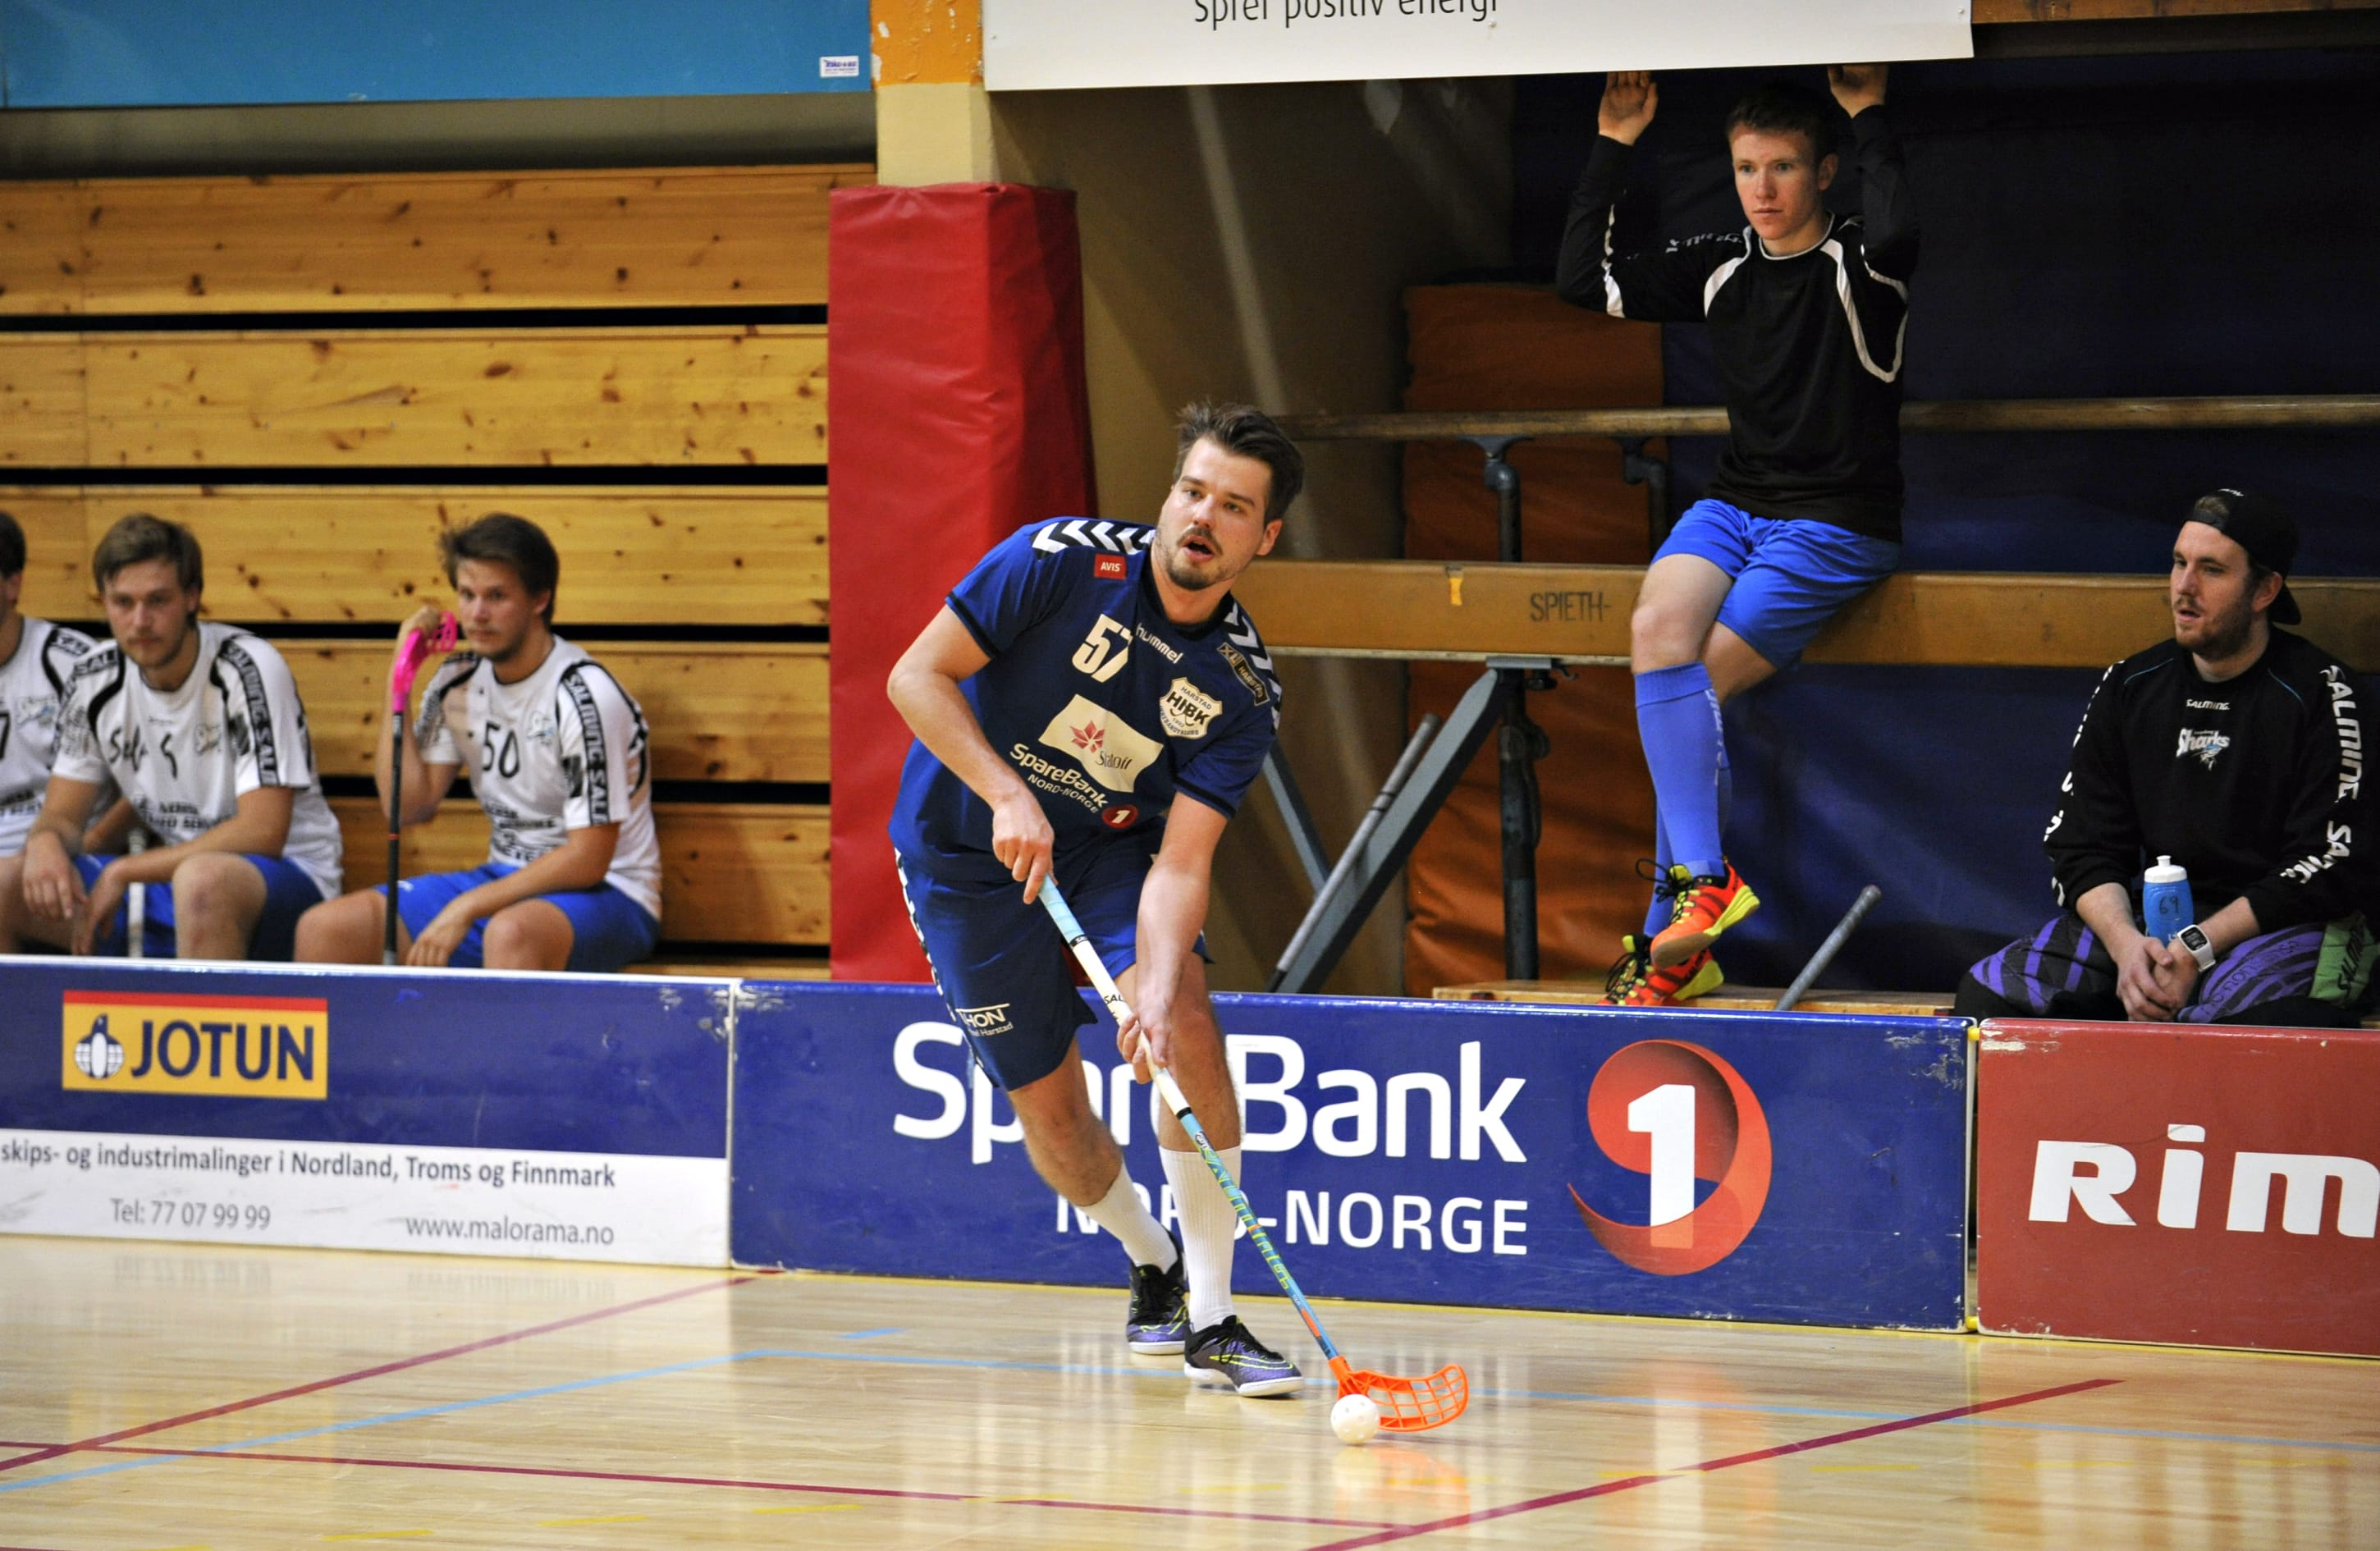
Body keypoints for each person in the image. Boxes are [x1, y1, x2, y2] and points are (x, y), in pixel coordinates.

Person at [886, 402, 1300, 1396]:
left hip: (1111, 854)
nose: (1202, 517)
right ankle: (1149, 1258)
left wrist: (1153, 985)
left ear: (1264, 537)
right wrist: (1005, 794)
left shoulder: (1241, 690)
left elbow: (1182, 864)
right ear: (1169, 494)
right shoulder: (1056, 562)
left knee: (1184, 1019)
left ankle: (1212, 1319)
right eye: (1192, 491)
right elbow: (915, 676)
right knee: (1055, 1117)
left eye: (1233, 507)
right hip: (963, 851)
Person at [1556, 66, 1915, 1005]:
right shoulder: (1723, 262)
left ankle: (1672, 940)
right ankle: (1700, 897)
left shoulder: (1861, 264)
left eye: (1783, 167)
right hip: (1735, 503)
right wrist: (1614, 142)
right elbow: (1581, 280)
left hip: (1835, 518)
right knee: (1654, 639)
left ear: (1823, 173)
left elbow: (1899, 230)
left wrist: (1867, 114)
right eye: (1746, 168)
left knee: (1692, 693)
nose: (1761, 189)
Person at [1957, 491, 2375, 1026]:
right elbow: (2083, 846)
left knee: (2230, 1026)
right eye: (2179, 563)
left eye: (2212, 570)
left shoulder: (2325, 693)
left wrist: (2196, 947)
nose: (2184, 586)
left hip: (2289, 924)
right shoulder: (2131, 684)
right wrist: (2128, 948)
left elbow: (2330, 864)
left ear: (2265, 590)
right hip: (2155, 927)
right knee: (1991, 998)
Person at [294, 513, 661, 972]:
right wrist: (399, 677)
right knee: (326, 929)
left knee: (509, 934)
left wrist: (467, 907)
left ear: (540, 600)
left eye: (496, 597)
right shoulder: (457, 681)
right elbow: (407, 807)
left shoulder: (584, 695)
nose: (476, 614)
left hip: (611, 892)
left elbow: (588, 859)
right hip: (506, 881)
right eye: (467, 595)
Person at [0, 514, 343, 959]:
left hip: (287, 876)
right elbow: (62, 816)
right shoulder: (93, 678)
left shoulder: (247, 668)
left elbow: (263, 832)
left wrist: (125, 871)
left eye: (157, 600)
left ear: (192, 597)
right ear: (104, 602)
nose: (140, 621)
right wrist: (45, 843)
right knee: (6, 884)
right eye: (123, 603)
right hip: (170, 879)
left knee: (202, 881)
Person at [0, 510, 103, 857]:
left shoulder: (74, 665)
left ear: (13, 584)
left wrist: (91, 844)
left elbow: (137, 784)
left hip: (57, 853)